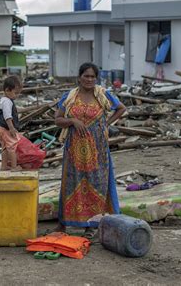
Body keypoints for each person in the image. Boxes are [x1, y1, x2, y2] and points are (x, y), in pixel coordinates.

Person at [54, 62, 126, 239]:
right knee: (71, 183)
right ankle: (64, 223)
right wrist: (72, 121)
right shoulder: (70, 96)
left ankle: (91, 225)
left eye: (92, 76)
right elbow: (57, 119)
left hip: (98, 148)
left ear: (96, 78)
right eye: (86, 76)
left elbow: (121, 108)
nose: (89, 79)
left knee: (97, 184)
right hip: (74, 149)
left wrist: (106, 124)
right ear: (79, 77)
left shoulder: (102, 95)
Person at [0, 76, 22, 171]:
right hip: (7, 129)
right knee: (12, 147)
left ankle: (3, 166)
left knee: (4, 148)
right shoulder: (7, 102)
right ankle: (14, 167)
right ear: (7, 90)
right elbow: (7, 116)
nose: (17, 95)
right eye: (15, 93)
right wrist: (12, 128)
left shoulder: (2, 100)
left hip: (1, 129)